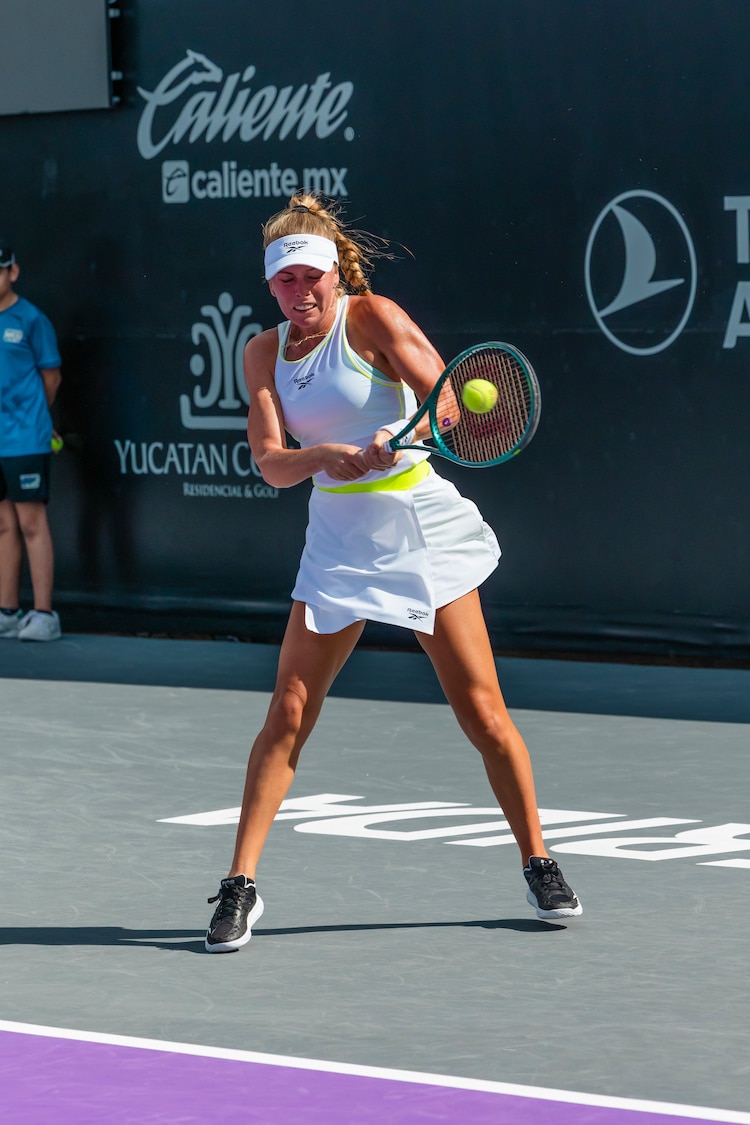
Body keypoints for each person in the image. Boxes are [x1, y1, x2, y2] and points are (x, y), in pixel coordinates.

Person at [205, 194, 582, 952]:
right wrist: (325, 456)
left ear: (334, 274)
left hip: (419, 527)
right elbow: (272, 463)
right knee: (287, 712)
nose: (300, 293)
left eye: (311, 277)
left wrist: (391, 433)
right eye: (285, 282)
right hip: (337, 540)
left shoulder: (371, 317)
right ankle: (239, 884)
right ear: (271, 285)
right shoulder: (260, 354)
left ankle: (538, 857)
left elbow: (446, 401)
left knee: (482, 711)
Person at [0, 240, 62, 642]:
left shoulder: (31, 320)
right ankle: (7, 611)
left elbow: (50, 379)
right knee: (3, 525)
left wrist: (35, 420)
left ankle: (44, 615)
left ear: (13, 272)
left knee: (31, 523)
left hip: (26, 439)